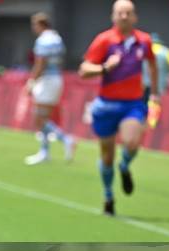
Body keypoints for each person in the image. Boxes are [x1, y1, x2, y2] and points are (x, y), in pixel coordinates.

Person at [79, 0, 158, 216]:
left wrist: (155, 93)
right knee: (106, 157)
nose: (124, 16)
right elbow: (83, 70)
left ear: (135, 17)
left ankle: (124, 166)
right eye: (120, 12)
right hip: (106, 105)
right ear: (113, 17)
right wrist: (105, 68)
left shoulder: (144, 40)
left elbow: (152, 64)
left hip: (132, 103)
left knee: (132, 142)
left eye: (128, 13)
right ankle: (108, 196)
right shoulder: (104, 40)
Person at [24, 12, 76, 165]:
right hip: (56, 79)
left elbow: (40, 63)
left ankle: (65, 139)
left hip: (46, 80)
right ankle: (45, 152)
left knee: (39, 119)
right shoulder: (57, 38)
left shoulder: (43, 40)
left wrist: (31, 82)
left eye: (34, 25)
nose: (33, 28)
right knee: (44, 117)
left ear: (40, 25)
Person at [142, 33, 169, 128]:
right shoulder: (165, 51)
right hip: (160, 82)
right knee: (156, 101)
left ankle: (146, 121)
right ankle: (152, 123)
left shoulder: (145, 50)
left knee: (145, 101)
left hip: (144, 82)